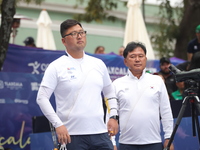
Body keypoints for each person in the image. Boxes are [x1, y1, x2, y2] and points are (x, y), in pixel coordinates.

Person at [36, 19, 119, 150]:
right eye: (74, 34)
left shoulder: (98, 64)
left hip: (100, 134)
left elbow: (110, 92)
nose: (79, 36)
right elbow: (41, 98)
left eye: (81, 32)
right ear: (63, 41)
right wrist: (58, 125)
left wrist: (114, 117)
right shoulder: (56, 66)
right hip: (71, 135)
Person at [113, 41, 174, 150]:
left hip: (153, 142)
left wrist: (169, 137)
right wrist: (112, 142)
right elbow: (111, 115)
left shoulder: (157, 81)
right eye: (132, 56)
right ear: (125, 61)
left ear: (145, 59)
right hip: (126, 143)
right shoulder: (117, 84)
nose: (137, 59)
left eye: (140, 56)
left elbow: (166, 111)